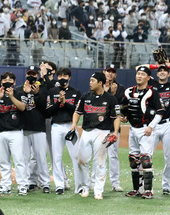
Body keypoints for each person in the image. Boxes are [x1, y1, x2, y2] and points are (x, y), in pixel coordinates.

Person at [139, 59, 170, 195]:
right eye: (159, 70)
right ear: (155, 74)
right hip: (153, 124)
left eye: (164, 71)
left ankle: (166, 186)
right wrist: (157, 65)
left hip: (168, 124)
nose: (161, 72)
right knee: (146, 155)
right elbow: (139, 67)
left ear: (168, 74)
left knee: (169, 158)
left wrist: (169, 65)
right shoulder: (151, 83)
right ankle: (144, 185)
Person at [71, 71, 120, 200]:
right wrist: (74, 124)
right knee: (81, 160)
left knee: (100, 162)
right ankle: (86, 187)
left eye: (93, 80)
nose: (90, 83)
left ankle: (98, 190)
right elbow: (77, 111)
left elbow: (116, 117)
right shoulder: (85, 96)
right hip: (87, 131)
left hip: (102, 132)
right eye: (90, 80)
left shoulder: (111, 99)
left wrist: (115, 132)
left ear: (100, 83)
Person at [122, 66, 165, 199]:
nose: (139, 76)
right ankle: (137, 189)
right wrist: (123, 116)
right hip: (133, 128)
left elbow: (161, 111)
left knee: (146, 160)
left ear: (148, 77)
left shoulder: (153, 92)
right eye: (138, 74)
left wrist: (151, 126)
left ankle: (148, 190)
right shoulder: (129, 91)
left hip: (145, 129)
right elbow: (122, 108)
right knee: (133, 160)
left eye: (142, 74)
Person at [0, 71, 29, 195]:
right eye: (5, 80)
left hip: (16, 132)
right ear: (1, 82)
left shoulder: (19, 94)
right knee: (4, 161)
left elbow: (22, 107)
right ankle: (6, 185)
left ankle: (23, 185)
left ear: (14, 82)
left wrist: (11, 97)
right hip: (0, 132)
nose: (7, 82)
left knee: (19, 160)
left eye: (10, 80)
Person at [46, 67, 82, 194]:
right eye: (60, 76)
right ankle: (59, 185)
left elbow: (77, 110)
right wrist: (58, 102)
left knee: (76, 156)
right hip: (56, 126)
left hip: (71, 126)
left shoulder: (75, 92)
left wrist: (65, 102)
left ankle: (79, 185)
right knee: (56, 157)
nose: (62, 78)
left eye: (65, 76)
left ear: (69, 78)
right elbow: (49, 111)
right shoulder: (52, 91)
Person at [20, 66, 51, 193]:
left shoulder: (43, 89)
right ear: (26, 75)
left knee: (41, 157)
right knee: (24, 158)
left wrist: (37, 94)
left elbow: (46, 109)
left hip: (39, 127)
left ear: (37, 76)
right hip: (24, 128)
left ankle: (45, 184)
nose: (31, 77)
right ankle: (27, 182)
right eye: (29, 74)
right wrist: (27, 93)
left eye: (33, 74)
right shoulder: (19, 90)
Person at [103, 65, 124, 193]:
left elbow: (119, 106)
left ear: (115, 75)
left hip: (113, 127)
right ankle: (96, 182)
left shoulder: (120, 88)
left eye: (112, 72)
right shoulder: (99, 86)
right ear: (104, 72)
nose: (110, 74)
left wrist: (114, 94)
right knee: (99, 155)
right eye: (108, 71)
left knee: (113, 155)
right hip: (99, 126)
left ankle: (115, 183)